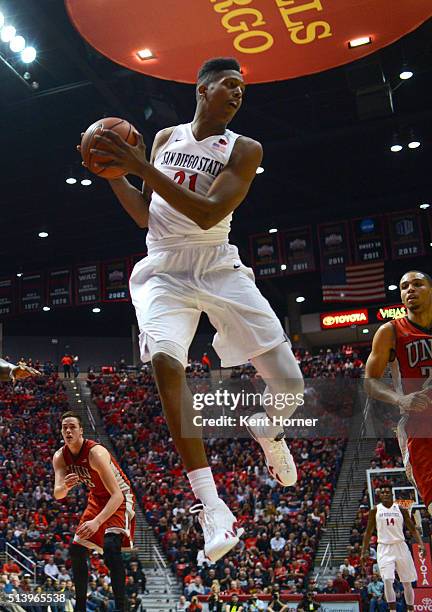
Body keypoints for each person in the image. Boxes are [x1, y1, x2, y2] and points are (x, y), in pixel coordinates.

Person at [83, 56, 304, 562]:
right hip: (163, 269)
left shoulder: (244, 150)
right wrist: (114, 174)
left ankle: (268, 429)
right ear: (201, 89)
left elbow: (207, 214)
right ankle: (212, 508)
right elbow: (146, 214)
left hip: (217, 263)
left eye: (242, 89)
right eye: (229, 85)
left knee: (291, 386)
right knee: (166, 363)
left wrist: (138, 167)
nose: (237, 93)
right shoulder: (164, 139)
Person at [52, 411, 136, 612]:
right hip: (97, 499)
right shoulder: (59, 457)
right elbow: (58, 494)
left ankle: (122, 608)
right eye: (65, 427)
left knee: (111, 549)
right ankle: (80, 607)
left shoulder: (95, 453)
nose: (68, 430)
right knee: (76, 550)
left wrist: (97, 522)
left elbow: (116, 495)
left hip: (120, 496)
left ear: (81, 430)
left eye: (72, 426)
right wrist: (65, 487)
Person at [365, 270, 432, 514]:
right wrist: (400, 398)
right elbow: (369, 381)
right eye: (404, 287)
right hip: (421, 430)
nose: (410, 290)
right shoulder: (391, 331)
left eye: (417, 284)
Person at [361, 486, 424, 611]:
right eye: (382, 492)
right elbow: (368, 532)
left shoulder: (400, 509)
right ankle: (392, 610)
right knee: (388, 580)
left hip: (400, 546)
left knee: (407, 582)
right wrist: (364, 551)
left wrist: (421, 544)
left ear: (392, 494)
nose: (385, 494)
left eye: (387, 492)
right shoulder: (375, 510)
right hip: (384, 547)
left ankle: (411, 609)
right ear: (379, 495)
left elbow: (412, 528)